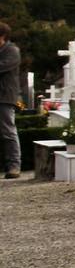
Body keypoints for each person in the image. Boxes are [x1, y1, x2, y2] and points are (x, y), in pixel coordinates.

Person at [0, 22, 21, 179]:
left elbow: (2, 67)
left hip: (5, 97)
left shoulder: (12, 51)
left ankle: (14, 166)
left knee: (8, 132)